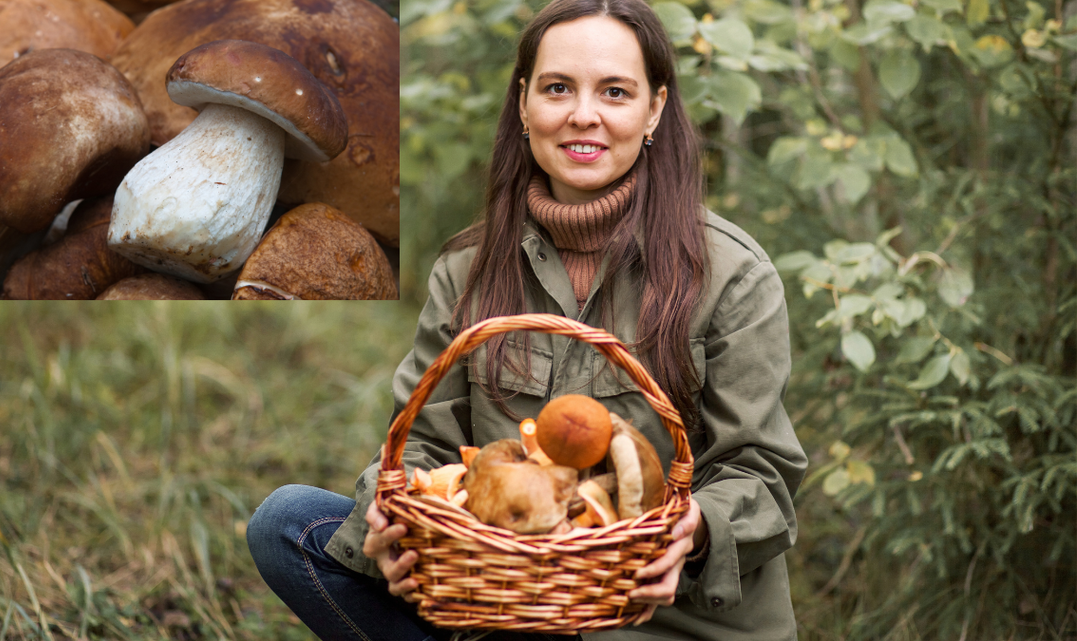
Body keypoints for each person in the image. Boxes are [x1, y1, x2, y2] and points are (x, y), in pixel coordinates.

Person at [246, 0, 807, 638]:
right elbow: (425, 444)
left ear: (654, 109)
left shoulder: (731, 273)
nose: (582, 115)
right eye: (558, 88)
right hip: (503, 597)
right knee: (285, 523)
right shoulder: (468, 268)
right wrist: (393, 519)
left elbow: (761, 472)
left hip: (661, 616)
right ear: (523, 103)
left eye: (615, 92)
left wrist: (694, 528)